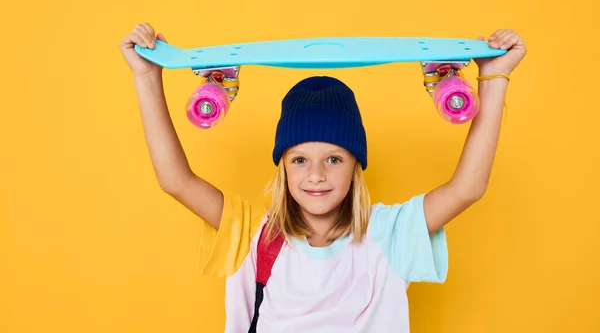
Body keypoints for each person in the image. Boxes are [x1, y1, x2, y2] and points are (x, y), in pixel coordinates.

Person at [119, 24, 527, 332]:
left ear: (355, 165)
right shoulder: (254, 237)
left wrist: (493, 79)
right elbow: (175, 180)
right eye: (299, 160)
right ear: (281, 166)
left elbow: (467, 187)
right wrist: (146, 76)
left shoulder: (389, 234)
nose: (315, 175)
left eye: (333, 158)